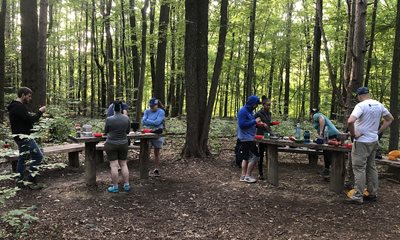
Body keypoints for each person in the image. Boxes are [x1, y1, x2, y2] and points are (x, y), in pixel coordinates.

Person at [346, 87, 393, 204]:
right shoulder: (379, 105)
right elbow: (390, 119)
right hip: (373, 140)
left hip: (362, 142)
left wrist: (354, 134)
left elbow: (350, 121)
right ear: (368, 94)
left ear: (359, 96)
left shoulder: (361, 106)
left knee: (359, 168)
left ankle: (358, 196)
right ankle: (372, 193)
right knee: (371, 167)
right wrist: (379, 131)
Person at [7, 87, 46, 188]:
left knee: (22, 158)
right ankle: (30, 179)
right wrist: (40, 112)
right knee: (38, 156)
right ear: (23, 95)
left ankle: (19, 180)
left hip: (21, 136)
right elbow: (30, 120)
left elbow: (25, 119)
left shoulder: (16, 106)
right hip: (24, 137)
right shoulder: (18, 107)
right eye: (28, 96)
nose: (30, 98)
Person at [104, 101, 131, 193]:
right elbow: (127, 131)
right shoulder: (126, 119)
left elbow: (106, 131)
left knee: (114, 165)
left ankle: (115, 187)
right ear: (121, 108)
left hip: (111, 143)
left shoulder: (109, 119)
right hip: (123, 143)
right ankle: (126, 185)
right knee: (123, 164)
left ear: (112, 109)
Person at [237, 95, 262, 183]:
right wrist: (255, 121)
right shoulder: (243, 111)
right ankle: (248, 176)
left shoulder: (249, 111)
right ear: (252, 103)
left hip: (249, 137)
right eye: (256, 104)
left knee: (246, 157)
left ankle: (243, 176)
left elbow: (249, 123)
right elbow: (242, 125)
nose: (256, 106)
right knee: (255, 157)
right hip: (246, 138)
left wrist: (257, 124)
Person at [310, 108, 340, 179]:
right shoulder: (319, 115)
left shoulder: (316, 115)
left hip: (331, 135)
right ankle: (327, 170)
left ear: (311, 113)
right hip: (332, 135)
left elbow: (322, 119)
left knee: (328, 152)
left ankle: (332, 173)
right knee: (326, 152)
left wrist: (320, 133)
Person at [142, 98, 165, 177]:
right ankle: (146, 170)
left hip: (157, 134)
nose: (151, 107)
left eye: (153, 106)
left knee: (156, 153)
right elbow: (143, 121)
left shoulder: (161, 112)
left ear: (157, 105)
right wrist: (153, 121)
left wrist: (148, 121)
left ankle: (156, 169)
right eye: (150, 106)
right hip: (148, 134)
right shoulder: (147, 111)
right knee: (146, 152)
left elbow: (158, 122)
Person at [254, 96, 274, 180]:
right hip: (261, 135)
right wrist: (260, 123)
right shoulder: (258, 113)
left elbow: (268, 123)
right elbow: (254, 123)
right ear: (263, 105)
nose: (268, 107)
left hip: (268, 134)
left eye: (269, 105)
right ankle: (260, 173)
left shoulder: (269, 113)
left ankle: (270, 172)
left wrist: (272, 123)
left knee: (269, 152)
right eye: (267, 105)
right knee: (261, 154)